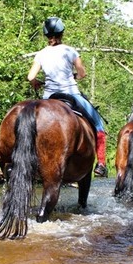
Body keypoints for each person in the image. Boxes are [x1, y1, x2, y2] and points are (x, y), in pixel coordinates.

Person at [26, 17, 108, 178]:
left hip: (49, 97)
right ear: (62, 33)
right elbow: (83, 73)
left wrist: (37, 82)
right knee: (99, 124)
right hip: (71, 93)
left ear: (46, 34)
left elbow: (30, 77)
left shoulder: (41, 54)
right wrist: (74, 76)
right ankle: (101, 164)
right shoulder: (70, 51)